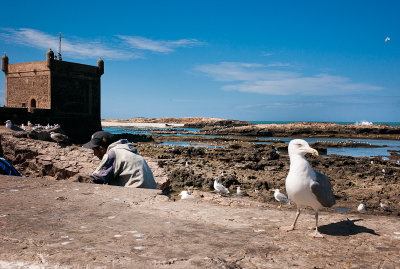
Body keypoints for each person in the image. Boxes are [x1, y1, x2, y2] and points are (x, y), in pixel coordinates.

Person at [82, 131, 157, 189]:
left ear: (101, 148)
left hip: (135, 192)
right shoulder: (130, 151)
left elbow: (98, 178)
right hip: (150, 190)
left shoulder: (113, 153)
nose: (94, 154)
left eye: (94, 150)